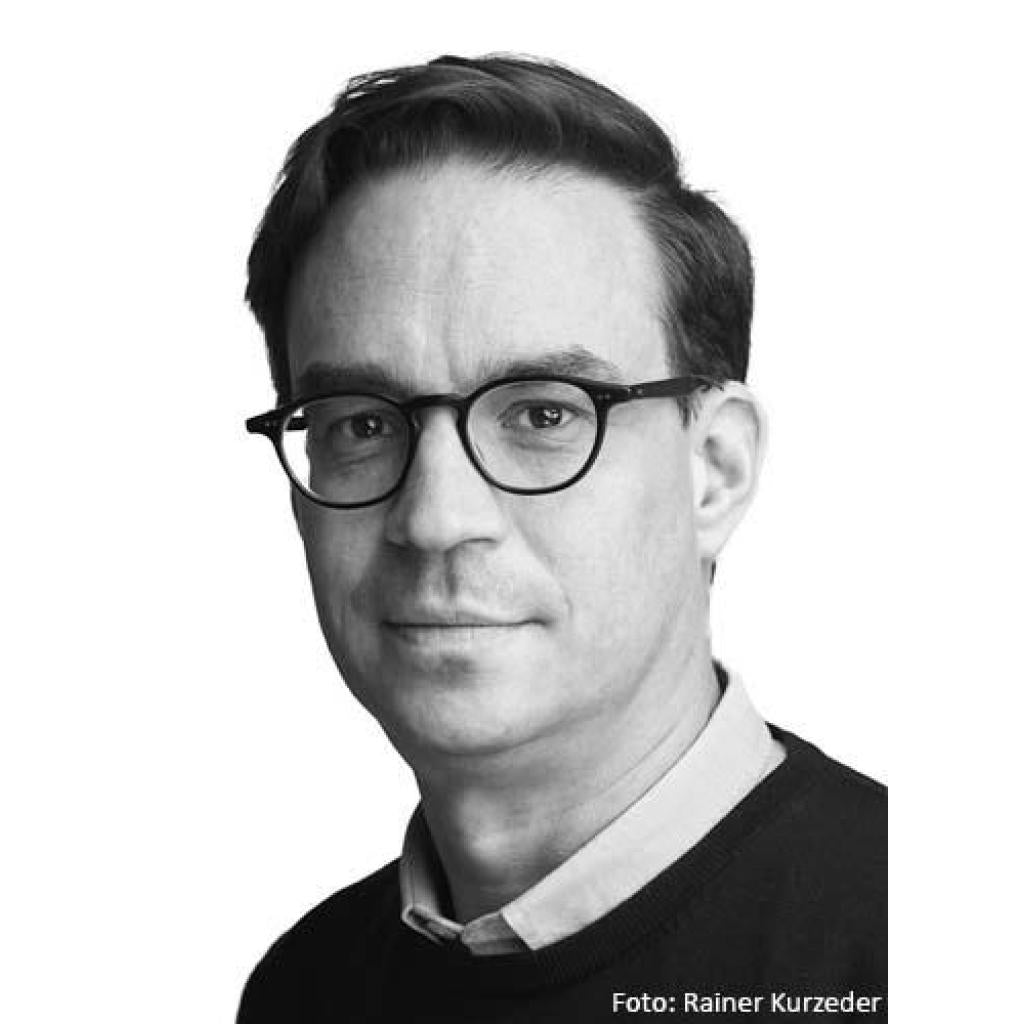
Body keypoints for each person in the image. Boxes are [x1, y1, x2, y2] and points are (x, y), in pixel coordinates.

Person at [236, 54, 886, 1022]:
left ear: (714, 470)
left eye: (543, 414)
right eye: (362, 424)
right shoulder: (305, 990)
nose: (437, 519)